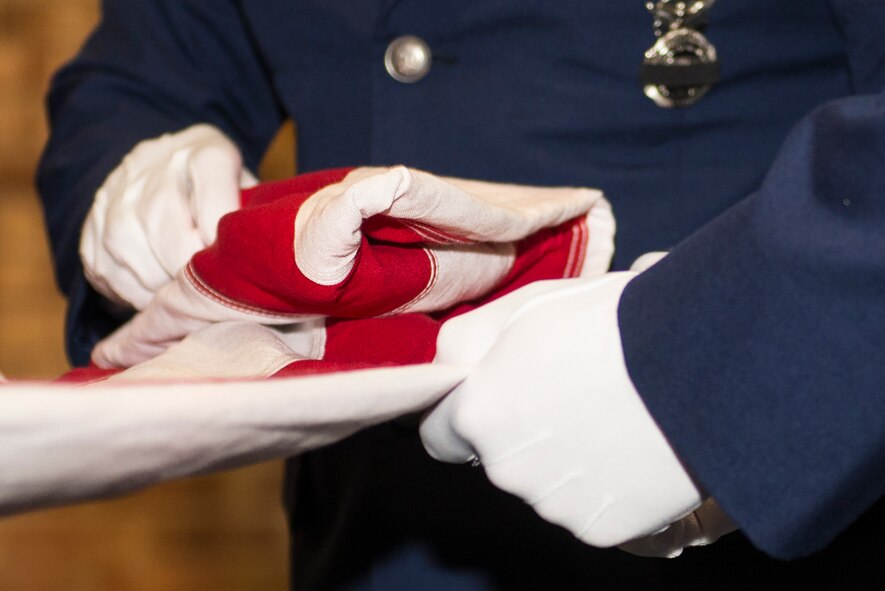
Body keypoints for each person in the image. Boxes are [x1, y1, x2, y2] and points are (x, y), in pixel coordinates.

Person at [37, 0, 885, 589]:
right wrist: (132, 169)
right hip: (368, 532)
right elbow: (147, 63)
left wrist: (717, 365)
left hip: (748, 498)